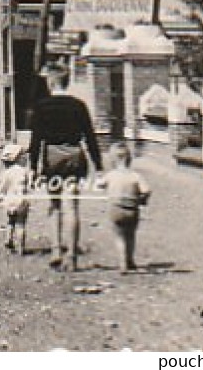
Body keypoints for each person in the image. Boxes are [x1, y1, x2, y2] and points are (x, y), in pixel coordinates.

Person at [27, 63, 103, 272]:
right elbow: (90, 137)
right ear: (66, 81)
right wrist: (99, 165)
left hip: (52, 157)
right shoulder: (79, 106)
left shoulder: (41, 107)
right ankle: (72, 254)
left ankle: (55, 250)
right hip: (74, 157)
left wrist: (32, 166)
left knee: (54, 205)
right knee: (72, 206)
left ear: (51, 82)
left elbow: (36, 141)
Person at [95, 143, 151, 273]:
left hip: (116, 209)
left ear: (112, 160)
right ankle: (130, 260)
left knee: (119, 236)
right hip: (132, 209)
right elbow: (147, 190)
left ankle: (122, 263)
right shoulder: (135, 176)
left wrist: (99, 179)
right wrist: (143, 199)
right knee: (131, 235)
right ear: (129, 159)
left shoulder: (111, 175)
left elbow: (100, 185)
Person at [0, 142, 32, 255]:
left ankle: (9, 239)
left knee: (11, 221)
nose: (25, 158)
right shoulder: (23, 172)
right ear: (17, 158)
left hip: (9, 200)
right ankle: (21, 248)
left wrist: (0, 197)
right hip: (21, 200)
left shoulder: (6, 173)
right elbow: (28, 185)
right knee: (21, 224)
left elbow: (2, 187)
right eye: (22, 156)